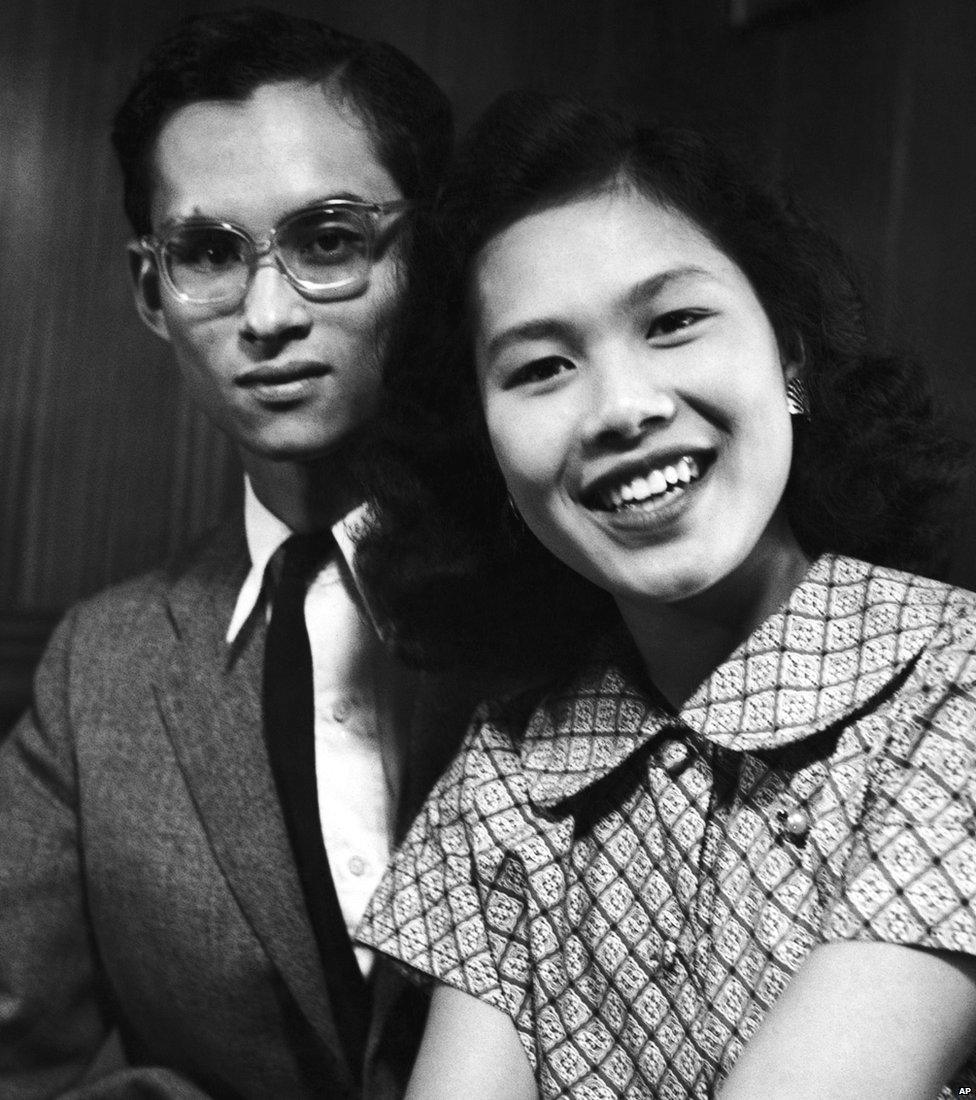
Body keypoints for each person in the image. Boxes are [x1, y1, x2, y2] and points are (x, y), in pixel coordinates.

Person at [355, 91, 976, 1099]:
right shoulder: (508, 769)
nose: (624, 407)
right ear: (494, 459)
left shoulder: (955, 688)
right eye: (543, 365)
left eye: (674, 321)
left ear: (789, 360)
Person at [0, 9, 476, 1098]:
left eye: (328, 242)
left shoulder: (584, 594)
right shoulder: (100, 668)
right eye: (208, 254)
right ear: (149, 293)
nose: (266, 315)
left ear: (431, 258)